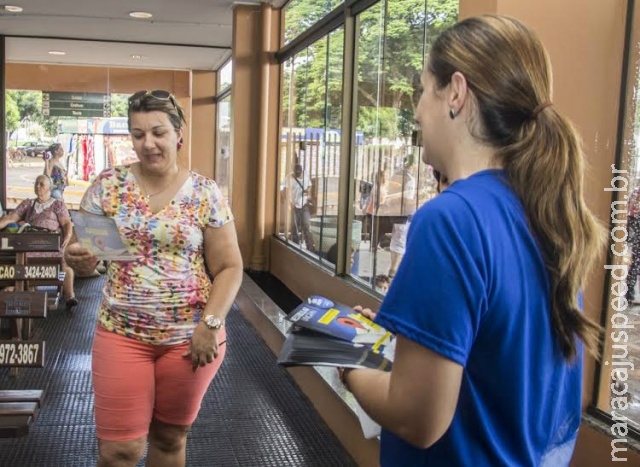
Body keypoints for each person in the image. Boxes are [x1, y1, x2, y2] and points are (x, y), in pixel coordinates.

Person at [339, 15, 605, 466]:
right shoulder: (550, 214)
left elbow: (417, 419)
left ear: (455, 94)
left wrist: (348, 360)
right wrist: (394, 344)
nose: (418, 111)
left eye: (425, 90)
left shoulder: (450, 220)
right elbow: (497, 364)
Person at [64, 89, 244, 467]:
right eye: (138, 133)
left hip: (191, 338)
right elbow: (90, 258)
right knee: (119, 452)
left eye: (158, 132)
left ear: (179, 133)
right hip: (121, 333)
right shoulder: (107, 187)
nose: (148, 144)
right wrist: (79, 261)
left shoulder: (205, 193)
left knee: (168, 439)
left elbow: (230, 267)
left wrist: (210, 325)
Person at [0, 175, 77, 308]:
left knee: (64, 267)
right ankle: (20, 289)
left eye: (41, 184)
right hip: (31, 246)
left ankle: (70, 296)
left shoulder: (57, 204)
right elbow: (11, 218)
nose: (38, 186)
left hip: (51, 247)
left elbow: (66, 223)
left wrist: (67, 237)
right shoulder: (28, 204)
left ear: (49, 188)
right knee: (21, 263)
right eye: (36, 183)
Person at [287, 163, 316, 252]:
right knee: (294, 227)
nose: (299, 176)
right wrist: (290, 202)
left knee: (307, 225)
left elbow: (310, 185)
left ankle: (310, 248)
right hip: (294, 205)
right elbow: (286, 191)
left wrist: (308, 192)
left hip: (304, 204)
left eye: (299, 174)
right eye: (297, 174)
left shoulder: (306, 174)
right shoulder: (289, 178)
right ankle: (295, 247)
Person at [625, 184, 640, 303]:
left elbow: (630, 208)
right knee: (636, 261)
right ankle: (630, 293)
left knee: (635, 260)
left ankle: (630, 293)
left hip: (634, 220)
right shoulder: (637, 191)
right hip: (636, 220)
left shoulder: (636, 190)